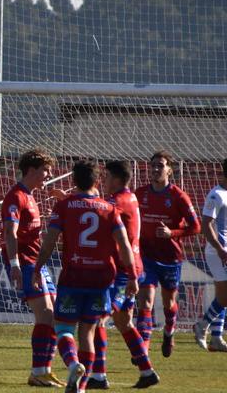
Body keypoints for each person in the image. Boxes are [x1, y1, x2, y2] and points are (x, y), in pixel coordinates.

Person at [33, 160, 151, 393]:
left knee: (64, 329)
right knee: (88, 331)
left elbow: (49, 242)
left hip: (73, 278)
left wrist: (37, 268)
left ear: (74, 181)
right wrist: (132, 276)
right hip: (102, 280)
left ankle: (73, 364)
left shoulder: (65, 206)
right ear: (96, 181)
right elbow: (125, 245)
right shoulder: (109, 209)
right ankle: (83, 387)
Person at [89, 161, 158, 389]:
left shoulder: (117, 202)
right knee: (124, 322)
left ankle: (98, 375)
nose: (103, 181)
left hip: (121, 272)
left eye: (107, 176)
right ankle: (147, 371)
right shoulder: (130, 197)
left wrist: (71, 201)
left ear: (117, 179)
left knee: (98, 319)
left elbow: (97, 214)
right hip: (131, 268)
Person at [1, 148, 62, 387]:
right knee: (45, 315)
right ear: (32, 169)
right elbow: (9, 232)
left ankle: (44, 370)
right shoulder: (15, 196)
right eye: (46, 170)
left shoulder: (31, 195)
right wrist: (15, 264)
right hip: (25, 263)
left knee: (56, 315)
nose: (49, 174)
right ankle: (38, 371)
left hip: (37, 263)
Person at [134, 150, 200, 358]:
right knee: (145, 301)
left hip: (171, 258)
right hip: (146, 257)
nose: (155, 169)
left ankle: (169, 331)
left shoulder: (178, 196)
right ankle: (142, 348)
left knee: (169, 303)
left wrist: (172, 233)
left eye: (160, 165)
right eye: (153, 165)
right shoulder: (140, 193)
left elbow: (196, 227)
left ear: (169, 170)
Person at [193, 156, 227, 354]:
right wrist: (219, 248)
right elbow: (206, 224)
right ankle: (202, 325)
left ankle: (216, 338)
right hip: (219, 252)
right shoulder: (216, 195)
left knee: (223, 295)